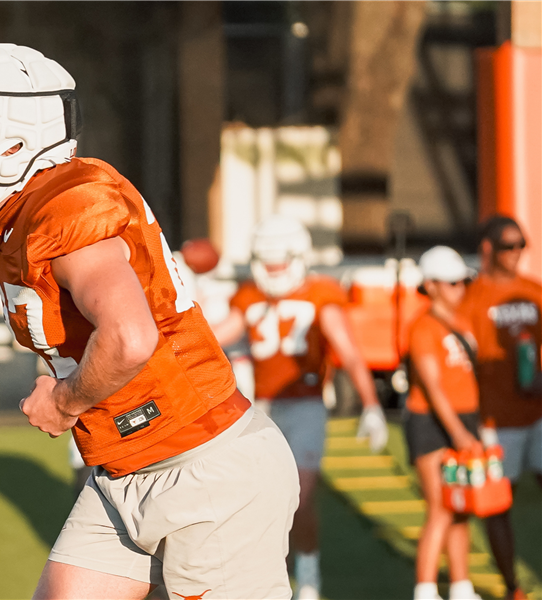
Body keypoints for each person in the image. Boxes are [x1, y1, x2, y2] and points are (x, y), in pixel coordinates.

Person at [0, 43, 299, 600]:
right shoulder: (17, 211)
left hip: (205, 467)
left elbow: (129, 338)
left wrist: (64, 402)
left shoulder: (70, 206)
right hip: (123, 468)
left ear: (11, 146)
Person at [211, 214, 388, 600]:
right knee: (256, 499)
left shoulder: (320, 294)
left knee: (301, 496)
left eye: (279, 263)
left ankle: (308, 575)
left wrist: (371, 404)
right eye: (267, 262)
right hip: (260, 408)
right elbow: (215, 338)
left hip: (306, 405)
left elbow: (349, 351)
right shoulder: (249, 295)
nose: (272, 272)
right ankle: (267, 575)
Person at [459, 215, 540, 600]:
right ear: (488, 248)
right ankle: (513, 588)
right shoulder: (473, 296)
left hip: (538, 413)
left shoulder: (534, 291)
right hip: (495, 417)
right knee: (498, 505)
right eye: (509, 246)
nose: (517, 253)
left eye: (522, 244)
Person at [405, 246, 482, 600]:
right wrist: (460, 434)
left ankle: (462, 586)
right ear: (431, 285)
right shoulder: (423, 327)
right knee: (440, 507)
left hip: (465, 417)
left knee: (462, 506)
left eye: (462, 282)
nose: (459, 289)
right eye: (451, 283)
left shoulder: (463, 320)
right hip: (431, 421)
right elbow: (433, 388)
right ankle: (425, 589)